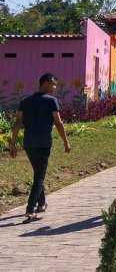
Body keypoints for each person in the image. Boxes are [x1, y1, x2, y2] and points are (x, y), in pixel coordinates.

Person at [9, 73, 71, 223]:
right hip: (43, 144)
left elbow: (17, 123)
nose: (55, 87)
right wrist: (66, 141)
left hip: (29, 144)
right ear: (45, 83)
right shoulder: (51, 101)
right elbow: (58, 122)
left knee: (38, 173)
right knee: (39, 177)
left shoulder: (25, 101)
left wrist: (13, 144)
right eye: (53, 84)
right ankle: (30, 210)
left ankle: (42, 203)